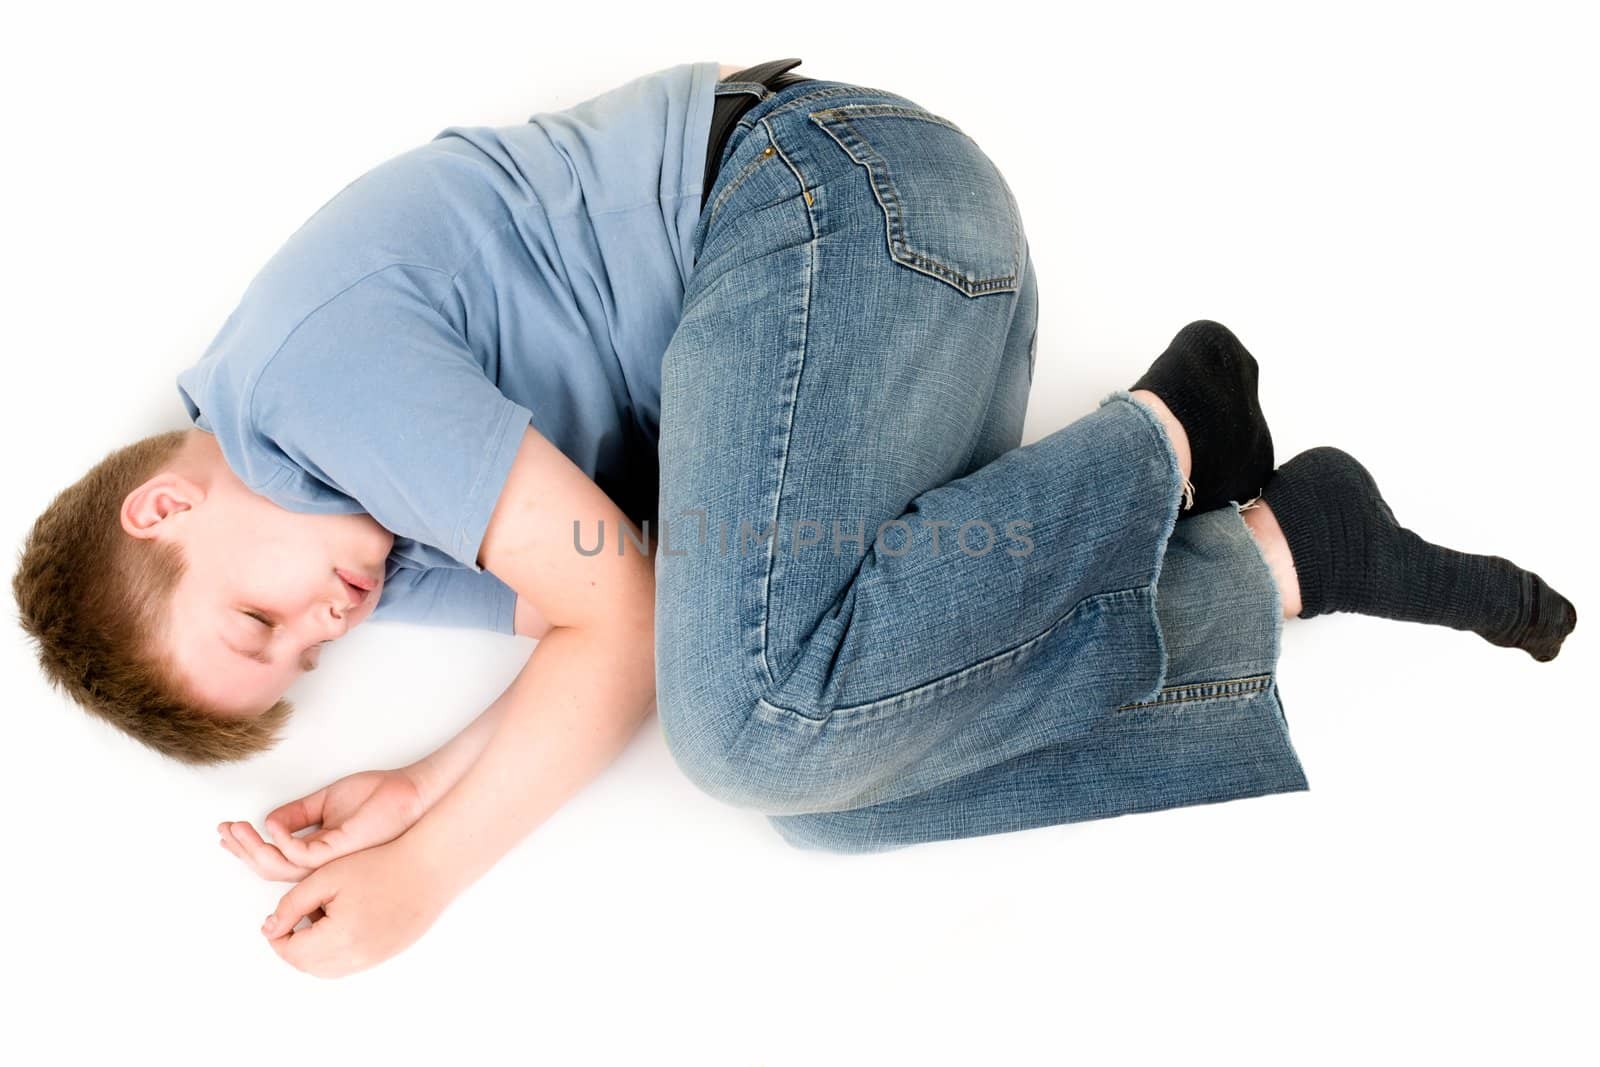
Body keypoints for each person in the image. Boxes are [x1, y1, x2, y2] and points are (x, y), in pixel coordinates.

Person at [10, 59, 1577, 977]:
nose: (324, 629)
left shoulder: (308, 390)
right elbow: (615, 632)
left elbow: (615, 614)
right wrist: (414, 789)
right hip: (864, 333)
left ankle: (1174, 433)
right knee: (828, 785)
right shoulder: (382, 539)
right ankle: (1284, 555)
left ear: (169, 503)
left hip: (834, 201)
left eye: (257, 619)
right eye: (297, 666)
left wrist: (431, 876)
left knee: (749, 729)